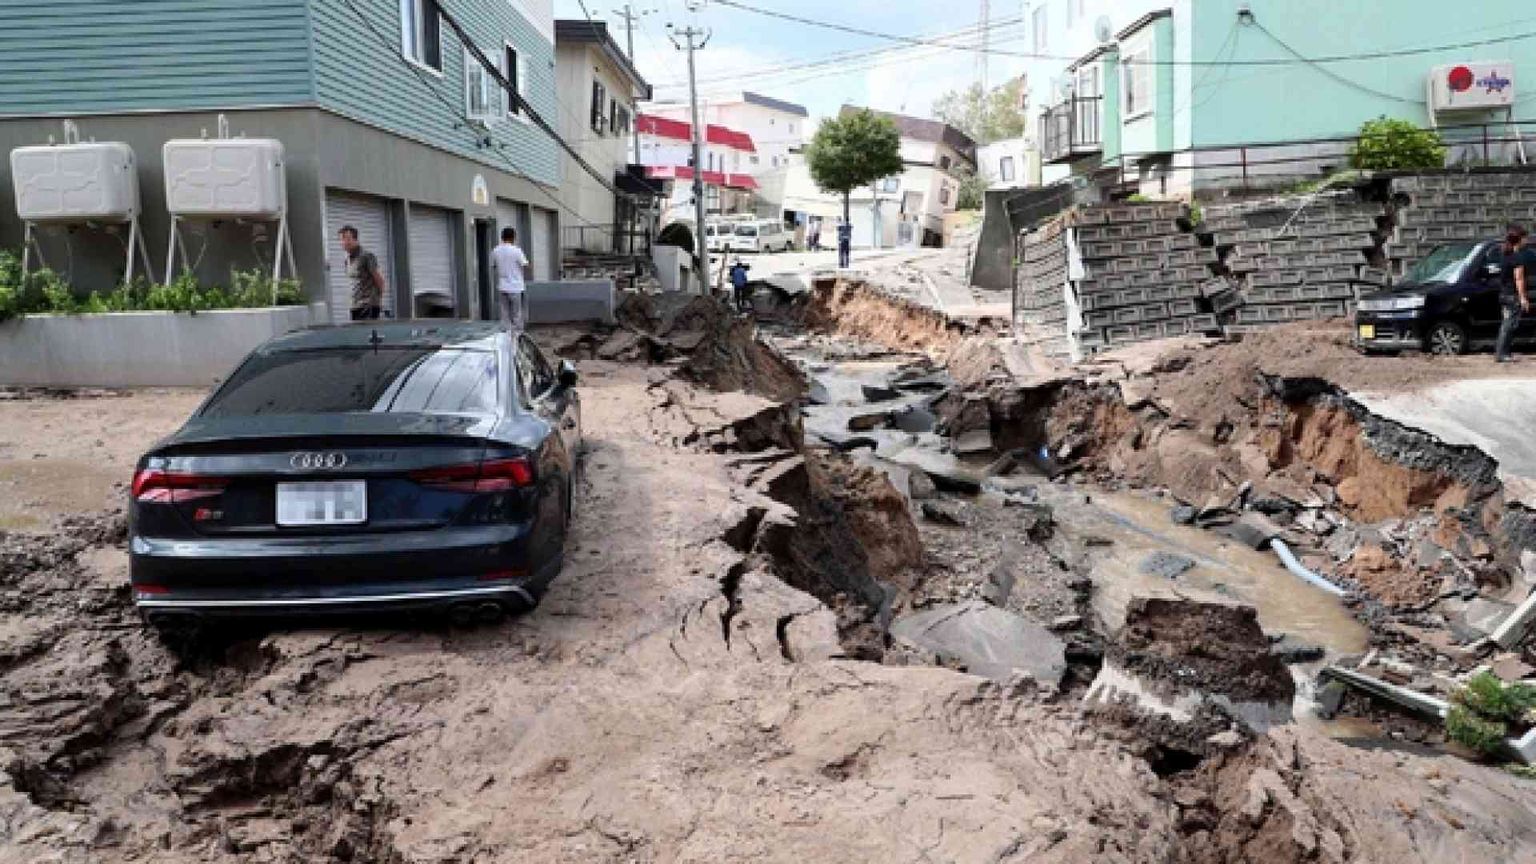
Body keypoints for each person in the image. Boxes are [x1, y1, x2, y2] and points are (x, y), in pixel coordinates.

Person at [1495, 224, 1533, 363]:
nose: (1526, 240)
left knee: (1506, 324)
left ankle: (1503, 352)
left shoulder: (1505, 254)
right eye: (1525, 238)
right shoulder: (1517, 257)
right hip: (1512, 295)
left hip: (1504, 294)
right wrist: (1523, 298)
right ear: (1519, 239)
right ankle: (1502, 353)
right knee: (1509, 325)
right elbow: (1519, 278)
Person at [340, 225, 386, 321]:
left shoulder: (366, 256)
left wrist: (376, 301)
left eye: (347, 239)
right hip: (355, 306)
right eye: (342, 239)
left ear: (355, 240)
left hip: (368, 306)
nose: (344, 242)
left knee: (368, 330)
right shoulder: (347, 260)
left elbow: (380, 280)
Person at [493, 226, 532, 331]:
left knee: (504, 313)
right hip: (516, 287)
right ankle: (518, 335)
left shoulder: (496, 250)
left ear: (502, 237)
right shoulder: (516, 251)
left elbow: (494, 266)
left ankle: (506, 334)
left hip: (502, 286)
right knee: (517, 314)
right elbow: (526, 265)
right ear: (513, 237)